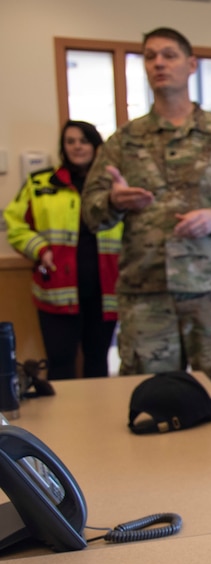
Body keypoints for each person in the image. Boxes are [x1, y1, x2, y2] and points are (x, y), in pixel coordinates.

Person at [81, 27, 211, 413]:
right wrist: (114, 201)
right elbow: (91, 214)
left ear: (190, 64)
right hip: (147, 293)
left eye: (168, 55)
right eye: (150, 56)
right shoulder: (123, 142)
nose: (158, 63)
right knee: (151, 403)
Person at [4, 121, 122, 379]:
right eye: (70, 141)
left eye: (83, 141)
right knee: (60, 361)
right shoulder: (40, 183)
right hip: (57, 288)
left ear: (95, 146)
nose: (77, 146)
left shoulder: (113, 185)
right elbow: (15, 224)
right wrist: (39, 248)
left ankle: (98, 416)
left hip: (105, 289)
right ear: (63, 147)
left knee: (97, 359)